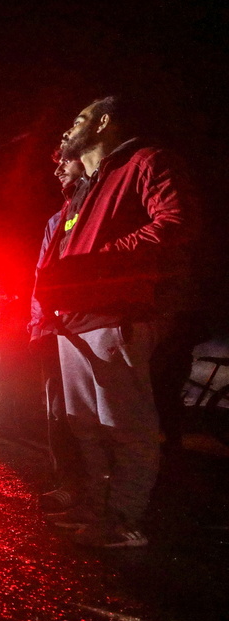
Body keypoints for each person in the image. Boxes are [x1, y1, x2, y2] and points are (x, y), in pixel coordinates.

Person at [34, 96, 199, 547]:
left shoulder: (146, 161)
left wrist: (99, 263)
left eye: (78, 118)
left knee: (126, 425)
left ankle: (126, 520)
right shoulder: (85, 189)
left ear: (104, 123)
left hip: (117, 313)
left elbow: (176, 223)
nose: (68, 129)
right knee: (85, 424)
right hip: (76, 320)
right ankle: (96, 506)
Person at [28, 154, 87, 515]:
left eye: (67, 160)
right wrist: (39, 325)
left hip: (90, 321)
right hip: (56, 327)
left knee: (95, 414)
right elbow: (42, 275)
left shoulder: (99, 207)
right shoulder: (57, 218)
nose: (57, 169)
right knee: (58, 413)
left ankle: (98, 492)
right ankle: (71, 485)